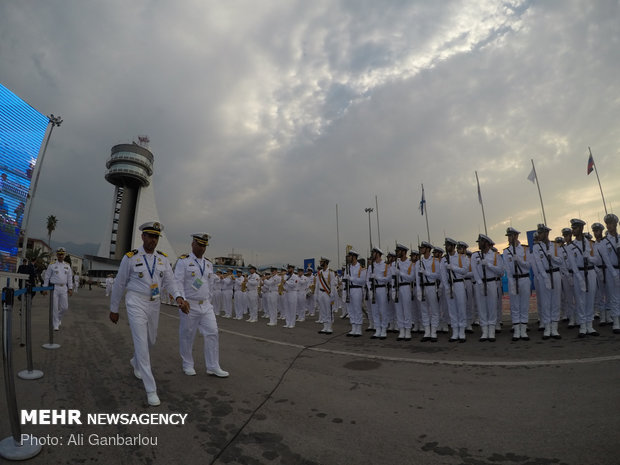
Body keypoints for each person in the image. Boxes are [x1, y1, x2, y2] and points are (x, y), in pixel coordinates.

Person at [109, 221, 189, 406]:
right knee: (142, 343)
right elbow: (120, 284)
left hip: (154, 303)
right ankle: (151, 390)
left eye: (156, 237)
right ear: (143, 237)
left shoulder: (163, 259)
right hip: (135, 301)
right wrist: (114, 309)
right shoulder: (130, 258)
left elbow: (170, 283)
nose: (153, 240)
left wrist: (178, 298)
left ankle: (135, 361)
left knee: (151, 340)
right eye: (150, 236)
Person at [174, 233, 229, 378]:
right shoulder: (184, 261)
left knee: (212, 333)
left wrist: (208, 301)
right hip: (189, 304)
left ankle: (213, 366)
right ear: (193, 244)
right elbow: (178, 281)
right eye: (199, 244)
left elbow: (209, 284)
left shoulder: (209, 264)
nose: (202, 248)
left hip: (205, 305)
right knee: (187, 335)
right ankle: (187, 364)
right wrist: (181, 300)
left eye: (204, 245)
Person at [566, 218, 601, 337]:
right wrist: (579, 278)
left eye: (575, 228)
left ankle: (589, 325)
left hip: (590, 272)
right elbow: (572, 264)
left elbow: (597, 260)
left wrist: (589, 258)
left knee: (590, 299)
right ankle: (582, 326)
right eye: (572, 228)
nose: (573, 231)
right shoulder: (570, 246)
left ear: (581, 228)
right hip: (578, 273)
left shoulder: (591, 244)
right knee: (580, 300)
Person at [470, 234, 503, 342]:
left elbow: (501, 272)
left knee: (492, 306)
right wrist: (479, 282)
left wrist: (489, 265)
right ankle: (484, 330)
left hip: (492, 282)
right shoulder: (475, 256)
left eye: (480, 242)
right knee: (481, 307)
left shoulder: (495, 256)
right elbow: (474, 270)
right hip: (480, 283)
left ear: (487, 243)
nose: (478, 244)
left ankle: (492, 330)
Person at [503, 228, 531, 341]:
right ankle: (516, 329)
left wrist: (519, 260)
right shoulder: (506, 251)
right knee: (514, 305)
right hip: (513, 280)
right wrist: (511, 283)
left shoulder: (525, 249)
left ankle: (523, 329)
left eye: (511, 236)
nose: (509, 238)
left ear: (516, 236)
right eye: (508, 236)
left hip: (524, 278)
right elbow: (508, 270)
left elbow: (528, 266)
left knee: (524, 305)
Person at [441, 238, 469, 342]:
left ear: (453, 246)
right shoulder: (444, 259)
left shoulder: (461, 257)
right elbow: (443, 275)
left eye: (448, 245)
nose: (446, 247)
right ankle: (455, 331)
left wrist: (453, 267)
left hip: (459, 283)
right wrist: (447, 287)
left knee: (461, 307)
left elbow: (465, 271)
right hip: (449, 285)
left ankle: (462, 330)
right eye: (446, 245)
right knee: (452, 309)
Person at [42, 247, 73, 330]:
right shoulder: (52, 265)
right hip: (54, 288)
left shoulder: (67, 266)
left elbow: (69, 278)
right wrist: (44, 288)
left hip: (64, 288)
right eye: (59, 254)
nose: (60, 256)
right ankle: (55, 324)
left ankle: (58, 318)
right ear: (57, 255)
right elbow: (47, 277)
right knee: (55, 307)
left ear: (64, 255)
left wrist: (70, 288)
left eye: (62, 254)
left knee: (65, 307)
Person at [599, 214, 620, 334]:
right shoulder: (604, 242)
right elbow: (606, 259)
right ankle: (616, 322)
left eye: (611, 223)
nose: (608, 226)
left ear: (616, 224)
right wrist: (613, 273)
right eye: (607, 223)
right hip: (611, 271)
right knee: (613, 297)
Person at [344, 249, 366, 337]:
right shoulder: (348, 268)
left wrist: (352, 279)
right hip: (349, 290)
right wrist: (345, 292)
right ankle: (353, 328)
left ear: (354, 257)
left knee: (357, 309)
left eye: (350, 256)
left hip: (357, 289)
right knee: (350, 309)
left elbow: (362, 281)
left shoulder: (361, 268)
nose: (348, 258)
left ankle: (358, 329)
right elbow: (344, 280)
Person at [316, 257, 337, 334]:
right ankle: (325, 327)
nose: (320, 263)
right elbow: (317, 284)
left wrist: (332, 295)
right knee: (323, 310)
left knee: (329, 310)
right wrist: (316, 294)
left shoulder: (331, 272)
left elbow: (332, 284)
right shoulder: (319, 272)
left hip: (327, 293)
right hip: (321, 292)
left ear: (325, 262)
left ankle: (329, 327)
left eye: (321, 262)